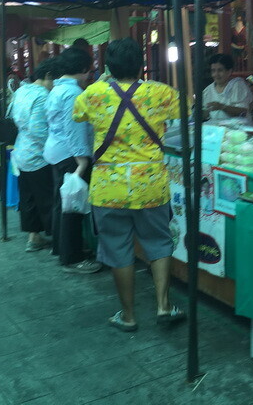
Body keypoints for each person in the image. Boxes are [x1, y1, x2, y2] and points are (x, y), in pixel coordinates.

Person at [73, 37, 185, 332]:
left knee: (117, 248)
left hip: (108, 187)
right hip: (151, 184)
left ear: (108, 65)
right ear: (142, 65)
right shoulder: (161, 93)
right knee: (159, 242)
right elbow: (188, 106)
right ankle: (163, 305)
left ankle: (128, 314)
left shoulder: (93, 93)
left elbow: (78, 114)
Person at [44, 47, 102, 274]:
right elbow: (74, 129)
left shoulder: (57, 89)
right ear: (84, 69)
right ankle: (72, 257)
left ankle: (62, 248)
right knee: (73, 208)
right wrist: (82, 161)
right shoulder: (73, 94)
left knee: (63, 203)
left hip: (56, 152)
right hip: (70, 155)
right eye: (90, 70)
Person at [10, 58, 59, 252]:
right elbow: (39, 131)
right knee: (47, 200)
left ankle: (34, 237)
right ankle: (57, 239)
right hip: (39, 156)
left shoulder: (22, 90)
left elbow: (14, 118)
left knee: (28, 197)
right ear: (48, 76)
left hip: (21, 151)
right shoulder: (42, 96)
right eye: (55, 80)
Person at [202, 53, 252, 122]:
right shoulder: (208, 91)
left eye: (220, 70)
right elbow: (205, 114)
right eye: (213, 71)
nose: (216, 74)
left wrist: (222, 107)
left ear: (229, 71)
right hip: (217, 131)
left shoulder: (238, 85)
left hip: (239, 130)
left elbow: (243, 112)